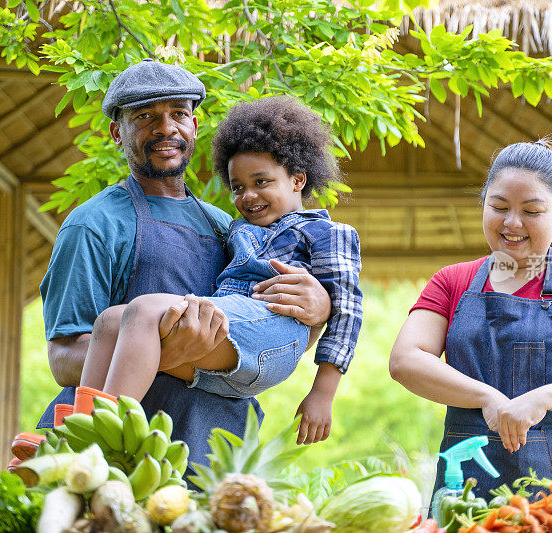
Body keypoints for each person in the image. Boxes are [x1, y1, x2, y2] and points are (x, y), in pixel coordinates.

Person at [14, 59, 332, 469]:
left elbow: (266, 343)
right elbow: (63, 358)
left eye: (178, 113)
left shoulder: (231, 229)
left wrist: (320, 308)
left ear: (194, 126)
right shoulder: (93, 224)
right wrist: (168, 352)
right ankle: (93, 437)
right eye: (146, 116)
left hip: (214, 449)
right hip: (120, 457)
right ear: (118, 132)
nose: (166, 128)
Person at [75, 96, 362, 446]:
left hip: (271, 332)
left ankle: (108, 442)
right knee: (109, 322)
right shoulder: (237, 229)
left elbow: (348, 311)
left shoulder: (329, 233)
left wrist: (322, 390)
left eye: (262, 182)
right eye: (238, 187)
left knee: (143, 310)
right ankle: (78, 436)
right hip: (228, 328)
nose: (247, 195)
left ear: (298, 179)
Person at [389, 140, 552, 499]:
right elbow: (405, 360)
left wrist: (543, 398)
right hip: (465, 488)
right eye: (498, 206)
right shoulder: (452, 281)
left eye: (532, 211)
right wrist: (485, 397)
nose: (512, 222)